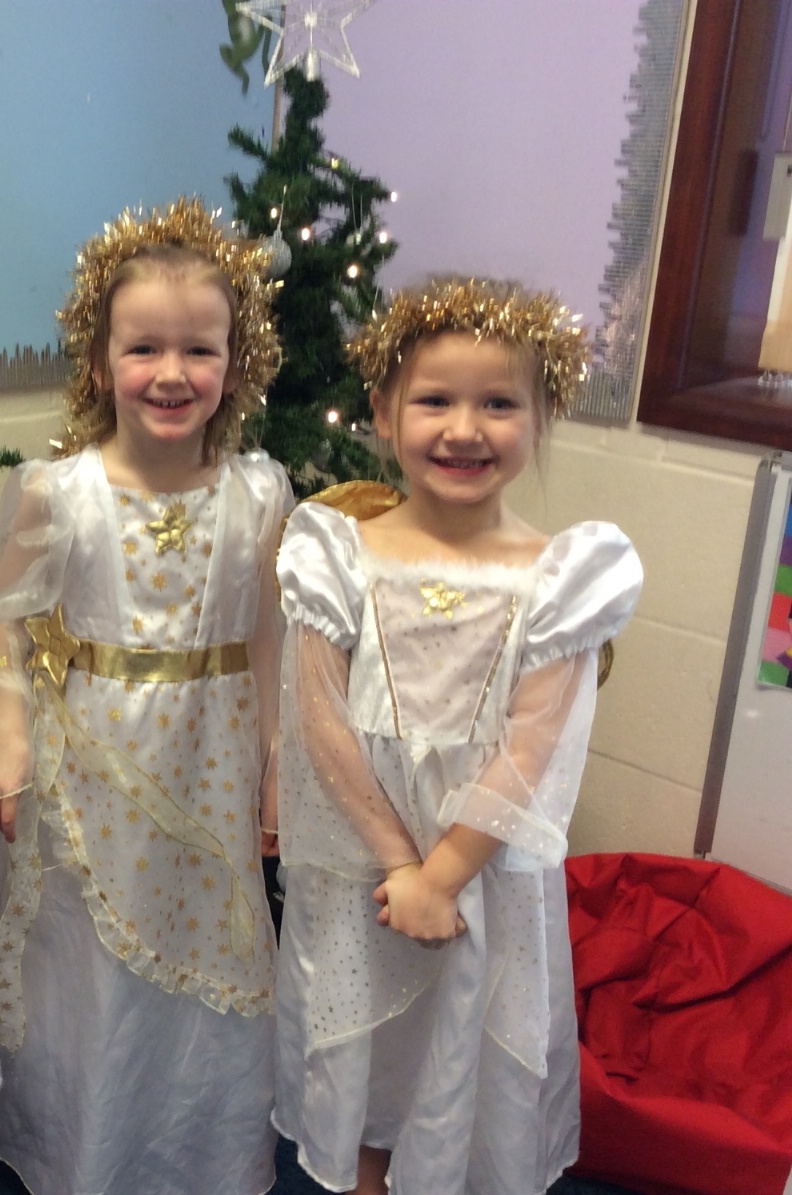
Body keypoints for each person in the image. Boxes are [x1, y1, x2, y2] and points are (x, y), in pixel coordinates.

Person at [272, 278, 644, 1194]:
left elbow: (532, 749)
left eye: (499, 404)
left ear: (543, 415)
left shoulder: (561, 576)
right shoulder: (337, 553)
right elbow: (320, 718)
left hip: (481, 865)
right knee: (367, 1046)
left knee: (459, 1048)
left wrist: (442, 875)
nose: (465, 429)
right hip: (368, 861)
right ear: (383, 410)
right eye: (435, 400)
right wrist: (401, 862)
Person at [0, 196, 293, 1195]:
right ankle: (85, 1151)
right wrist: (5, 733)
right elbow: (1, 620)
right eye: (143, 347)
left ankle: (192, 1148)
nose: (170, 372)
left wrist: (276, 765)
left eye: (199, 349)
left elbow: (269, 637)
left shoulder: (260, 494)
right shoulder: (58, 490)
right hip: (92, 762)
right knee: (89, 954)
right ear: (101, 360)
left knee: (205, 938)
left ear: (235, 360)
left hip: (210, 758)